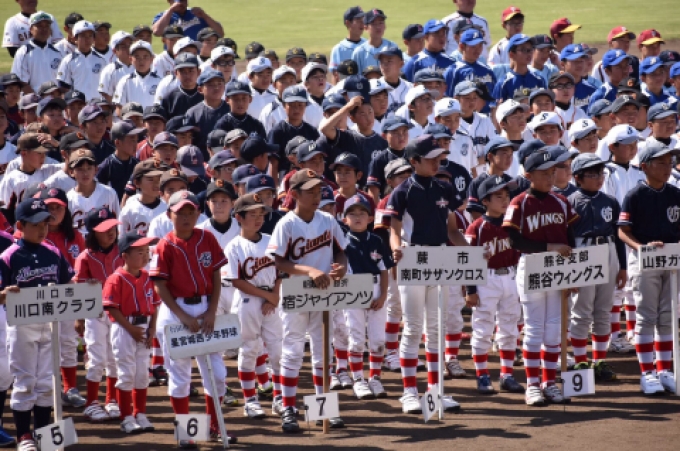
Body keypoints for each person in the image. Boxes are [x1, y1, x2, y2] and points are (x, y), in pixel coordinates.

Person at [386, 135, 467, 414]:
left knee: (435, 329)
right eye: (430, 158)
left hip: (440, 260)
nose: (437, 161)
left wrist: (474, 253)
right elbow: (394, 229)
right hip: (413, 258)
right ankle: (409, 392)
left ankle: (435, 391)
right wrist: (396, 249)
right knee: (412, 328)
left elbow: (453, 230)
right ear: (414, 161)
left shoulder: (443, 188)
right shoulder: (402, 191)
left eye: (438, 157)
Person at [266, 169, 348, 432]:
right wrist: (310, 270)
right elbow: (278, 260)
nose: (316, 195)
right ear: (294, 194)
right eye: (309, 191)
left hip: (324, 292)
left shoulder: (328, 220)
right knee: (291, 350)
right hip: (295, 291)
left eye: (318, 190)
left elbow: (341, 252)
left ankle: (322, 407)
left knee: (323, 351)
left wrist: (342, 267)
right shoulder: (286, 224)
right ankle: (289, 407)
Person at [151, 190, 233, 446]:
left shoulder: (206, 237)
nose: (186, 217)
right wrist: (183, 316)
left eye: (190, 212)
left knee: (217, 375)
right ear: (169, 215)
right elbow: (159, 286)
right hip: (176, 313)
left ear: (198, 213)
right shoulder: (165, 244)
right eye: (180, 213)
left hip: (206, 307)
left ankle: (215, 426)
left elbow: (216, 276)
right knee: (179, 376)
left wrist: (211, 310)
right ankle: (186, 433)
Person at [503, 147, 578, 406]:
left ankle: (549, 383)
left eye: (553, 171)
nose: (550, 176)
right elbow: (513, 239)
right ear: (528, 174)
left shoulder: (561, 201)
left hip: (558, 269)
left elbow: (570, 239)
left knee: (554, 329)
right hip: (533, 265)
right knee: (534, 328)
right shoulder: (519, 202)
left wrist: (574, 275)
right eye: (544, 173)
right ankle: (532, 385)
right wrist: (549, 248)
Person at [0, 198, 74, 449]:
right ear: (20, 225)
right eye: (35, 224)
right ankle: (24, 435)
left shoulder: (53, 252)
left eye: (45, 223)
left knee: (46, 380)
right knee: (24, 380)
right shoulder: (9, 256)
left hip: (50, 323)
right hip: (21, 325)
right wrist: (4, 293)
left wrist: (85, 291)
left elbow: (67, 283)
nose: (43, 229)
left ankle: (43, 433)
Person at [618, 142, 680, 394]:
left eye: (669, 162)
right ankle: (647, 373)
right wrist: (641, 248)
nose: (668, 167)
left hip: (671, 260)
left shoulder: (675, 193)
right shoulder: (635, 195)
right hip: (644, 260)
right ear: (645, 166)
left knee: (668, 317)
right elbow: (623, 230)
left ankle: (664, 369)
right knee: (645, 316)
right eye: (661, 162)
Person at [224, 193, 283, 417]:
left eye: (261, 214)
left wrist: (274, 295)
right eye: (252, 214)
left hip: (272, 301)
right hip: (247, 302)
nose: (258, 218)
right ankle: (250, 401)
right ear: (239, 217)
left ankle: (280, 396)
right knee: (249, 350)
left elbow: (280, 271)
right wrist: (267, 297)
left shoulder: (271, 240)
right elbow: (237, 280)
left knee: (277, 352)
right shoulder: (234, 247)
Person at [567, 154, 625, 382]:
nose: (599, 178)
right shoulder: (570, 201)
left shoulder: (610, 201)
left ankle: (599, 360)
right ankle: (581, 361)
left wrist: (621, 265)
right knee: (581, 310)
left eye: (601, 173)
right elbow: (567, 236)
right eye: (592, 174)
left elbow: (618, 235)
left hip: (608, 248)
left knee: (604, 309)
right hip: (582, 251)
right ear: (578, 178)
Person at [465, 176, 524, 394]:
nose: (504, 200)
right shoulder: (477, 227)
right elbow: (469, 260)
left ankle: (507, 375)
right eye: (498, 196)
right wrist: (470, 290)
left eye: (507, 196)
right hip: (485, 279)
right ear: (485, 201)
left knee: (509, 327)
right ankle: (482, 375)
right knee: (482, 328)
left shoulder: (513, 224)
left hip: (510, 276)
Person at [103, 229, 159, 433]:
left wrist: (152, 327)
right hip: (124, 327)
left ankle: (140, 413)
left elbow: (156, 304)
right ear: (125, 255)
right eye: (140, 252)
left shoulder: (147, 276)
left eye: (146, 251)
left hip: (143, 327)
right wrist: (130, 329)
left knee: (142, 373)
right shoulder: (116, 278)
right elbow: (111, 308)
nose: (145, 256)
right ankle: (126, 416)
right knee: (126, 372)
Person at [74, 207, 123, 423]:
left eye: (112, 227)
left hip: (119, 313)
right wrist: (79, 318)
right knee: (96, 358)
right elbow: (79, 290)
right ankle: (91, 403)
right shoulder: (85, 257)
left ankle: (111, 399)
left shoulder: (123, 251)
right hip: (95, 313)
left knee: (115, 358)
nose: (110, 232)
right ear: (92, 232)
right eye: (104, 229)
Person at [342, 194, 392, 399]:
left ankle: (375, 378)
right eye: (352, 214)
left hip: (375, 287)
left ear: (370, 218)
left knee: (378, 338)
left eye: (362, 213)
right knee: (355, 337)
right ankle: (358, 379)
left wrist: (383, 296)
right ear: (345, 219)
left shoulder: (377, 240)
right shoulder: (342, 241)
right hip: (352, 288)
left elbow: (384, 270)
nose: (357, 217)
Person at [66, 148, 120, 235]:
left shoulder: (109, 193)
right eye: (80, 169)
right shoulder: (68, 198)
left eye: (89, 168)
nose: (85, 173)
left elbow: (117, 223)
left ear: (96, 169)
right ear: (71, 172)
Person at [444, 29, 497, 115]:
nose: (477, 50)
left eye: (480, 46)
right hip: (462, 119)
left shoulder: (487, 70)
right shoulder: (453, 70)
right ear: (462, 46)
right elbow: (447, 98)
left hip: (486, 118)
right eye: (473, 47)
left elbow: (494, 97)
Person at [10, 12, 63, 94]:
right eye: (39, 26)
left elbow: (62, 81)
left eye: (47, 26)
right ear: (31, 29)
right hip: (32, 102)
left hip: (54, 102)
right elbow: (21, 83)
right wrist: (37, 100)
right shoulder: (23, 52)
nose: (44, 29)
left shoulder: (56, 53)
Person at [56, 20, 107, 102]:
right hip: (77, 105)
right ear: (75, 38)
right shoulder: (68, 61)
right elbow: (63, 87)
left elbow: (105, 86)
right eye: (83, 36)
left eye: (90, 36)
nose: (87, 39)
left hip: (97, 106)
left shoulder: (101, 60)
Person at [492, 34, 546, 104]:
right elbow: (495, 110)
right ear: (512, 54)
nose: (529, 53)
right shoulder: (504, 83)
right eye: (524, 50)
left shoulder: (539, 80)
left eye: (530, 50)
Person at [113, 40, 162, 113]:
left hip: (152, 122)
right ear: (130, 59)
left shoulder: (160, 81)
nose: (141, 61)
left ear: (152, 59)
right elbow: (119, 108)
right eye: (137, 57)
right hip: (131, 122)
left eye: (145, 57)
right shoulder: (125, 81)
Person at [351, 9, 397, 73]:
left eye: (381, 23)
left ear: (385, 26)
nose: (378, 27)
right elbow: (356, 77)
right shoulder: (359, 52)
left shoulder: (393, 47)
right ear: (366, 28)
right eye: (374, 24)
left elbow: (399, 73)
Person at [152, 0, 223, 41]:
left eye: (183, 0)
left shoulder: (197, 14)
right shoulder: (163, 16)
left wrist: (205, 16)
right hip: (174, 59)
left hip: (197, 57)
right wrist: (171, 10)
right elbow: (157, 32)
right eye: (178, 1)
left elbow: (220, 33)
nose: (181, 4)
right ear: (169, 1)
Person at [330, 7, 366, 74]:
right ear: (348, 23)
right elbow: (335, 77)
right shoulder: (338, 49)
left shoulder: (368, 45)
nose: (362, 24)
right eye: (358, 20)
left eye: (363, 20)